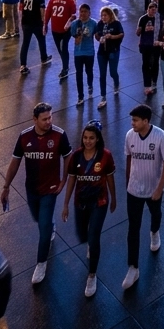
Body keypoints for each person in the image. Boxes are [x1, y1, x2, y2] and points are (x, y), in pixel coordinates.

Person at [1, 101, 71, 285]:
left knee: (43, 228)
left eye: (50, 117)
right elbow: (15, 162)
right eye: (44, 119)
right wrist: (6, 186)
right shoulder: (24, 137)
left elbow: (68, 157)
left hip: (50, 189)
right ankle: (50, 224)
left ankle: (41, 263)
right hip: (31, 189)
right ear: (34, 119)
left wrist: (63, 180)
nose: (49, 121)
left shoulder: (59, 135)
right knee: (38, 218)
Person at [62, 119, 117, 298]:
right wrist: (65, 204)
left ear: (98, 139)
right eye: (85, 137)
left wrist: (113, 198)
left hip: (99, 202)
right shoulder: (76, 156)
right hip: (81, 202)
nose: (87, 141)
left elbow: (110, 178)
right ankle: (90, 245)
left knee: (94, 237)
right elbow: (71, 179)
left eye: (91, 138)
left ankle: (92, 275)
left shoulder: (106, 156)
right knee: (82, 234)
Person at [121, 104, 164, 291]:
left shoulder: (160, 136)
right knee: (133, 228)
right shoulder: (129, 136)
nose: (132, 123)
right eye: (132, 120)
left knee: (156, 214)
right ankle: (133, 268)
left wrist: (160, 188)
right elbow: (128, 158)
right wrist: (128, 182)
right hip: (134, 190)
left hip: (153, 190)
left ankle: (154, 232)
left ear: (146, 121)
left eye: (135, 120)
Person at [44, 0, 77, 80]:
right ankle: (65, 64)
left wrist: (71, 22)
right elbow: (48, 13)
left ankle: (65, 68)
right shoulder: (52, 0)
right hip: (55, 30)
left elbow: (74, 15)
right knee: (60, 49)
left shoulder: (70, 1)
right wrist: (45, 25)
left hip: (66, 30)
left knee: (63, 47)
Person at [17, 0, 50, 74]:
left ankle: (23, 65)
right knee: (41, 40)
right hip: (36, 23)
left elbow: (20, 9)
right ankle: (44, 58)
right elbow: (42, 11)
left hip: (26, 23)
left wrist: (21, 21)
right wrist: (44, 23)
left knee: (25, 44)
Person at [94, 5, 124, 107]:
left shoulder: (116, 24)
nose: (103, 17)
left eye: (105, 15)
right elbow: (97, 35)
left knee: (112, 72)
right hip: (102, 52)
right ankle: (103, 96)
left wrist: (112, 36)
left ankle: (116, 83)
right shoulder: (100, 24)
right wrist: (99, 38)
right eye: (102, 15)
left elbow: (121, 34)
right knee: (102, 75)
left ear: (110, 15)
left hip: (113, 51)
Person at [70, 3, 97, 104]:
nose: (83, 13)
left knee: (89, 71)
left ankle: (90, 85)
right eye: (81, 11)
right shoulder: (75, 24)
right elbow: (75, 40)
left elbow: (97, 35)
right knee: (79, 74)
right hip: (78, 53)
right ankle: (80, 96)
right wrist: (79, 35)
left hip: (89, 52)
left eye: (85, 11)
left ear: (89, 13)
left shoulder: (94, 23)